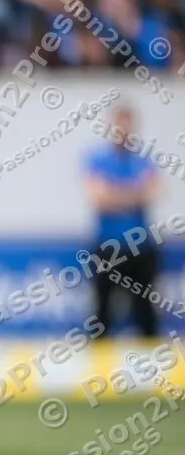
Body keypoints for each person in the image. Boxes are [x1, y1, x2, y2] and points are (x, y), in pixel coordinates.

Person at [85, 103, 162, 338]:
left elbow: (153, 193)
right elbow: (98, 198)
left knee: (146, 313)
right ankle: (98, 371)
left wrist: (114, 194)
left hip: (140, 247)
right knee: (102, 315)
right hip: (108, 247)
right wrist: (134, 194)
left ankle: (153, 371)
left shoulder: (144, 160)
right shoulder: (97, 158)